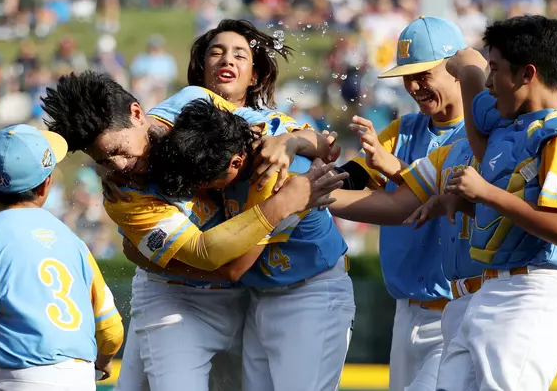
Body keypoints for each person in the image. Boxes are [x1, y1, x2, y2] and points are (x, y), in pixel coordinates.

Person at [41, 46, 336, 391]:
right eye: (104, 161)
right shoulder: (123, 193)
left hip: (248, 297)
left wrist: (290, 140)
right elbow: (216, 259)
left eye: (118, 150)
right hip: (176, 300)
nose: (119, 167)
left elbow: (323, 145)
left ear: (137, 113)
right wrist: (282, 204)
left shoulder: (195, 104)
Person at [436, 15, 557, 390]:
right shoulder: (513, 126)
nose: (490, 83)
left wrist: (486, 193)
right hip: (488, 292)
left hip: (533, 294)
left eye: (495, 70)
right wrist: (472, 205)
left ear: (527, 74)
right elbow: (479, 123)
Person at [149, 99, 354, 391]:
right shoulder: (234, 143)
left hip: (312, 295)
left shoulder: (280, 173)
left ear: (235, 162)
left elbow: (235, 269)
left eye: (207, 180)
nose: (202, 187)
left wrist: (162, 264)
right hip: (263, 296)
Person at [332, 16, 468, 391]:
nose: (413, 85)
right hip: (406, 310)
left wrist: (394, 169)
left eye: (424, 73)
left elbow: (439, 192)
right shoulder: (404, 129)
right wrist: (308, 186)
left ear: (456, 67)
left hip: (456, 311)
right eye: (407, 76)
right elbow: (353, 177)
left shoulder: (479, 134)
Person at [0, 124, 124, 391]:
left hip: (18, 378)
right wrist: (102, 362)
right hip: (79, 379)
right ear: (46, 185)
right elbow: (112, 330)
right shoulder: (74, 243)